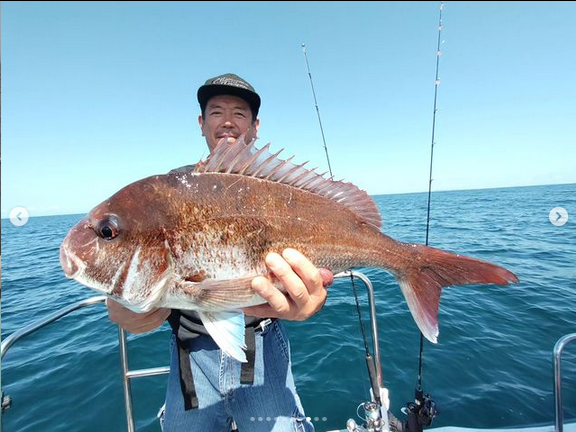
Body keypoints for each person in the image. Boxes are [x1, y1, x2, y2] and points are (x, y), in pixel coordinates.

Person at [106, 73, 333, 432]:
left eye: (239, 113)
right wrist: (128, 306)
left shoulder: (280, 191)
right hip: (190, 355)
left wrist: (312, 303)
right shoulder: (170, 193)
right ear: (201, 123)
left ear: (255, 128)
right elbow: (135, 314)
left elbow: (314, 280)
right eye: (216, 111)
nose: (228, 121)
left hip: (262, 347)